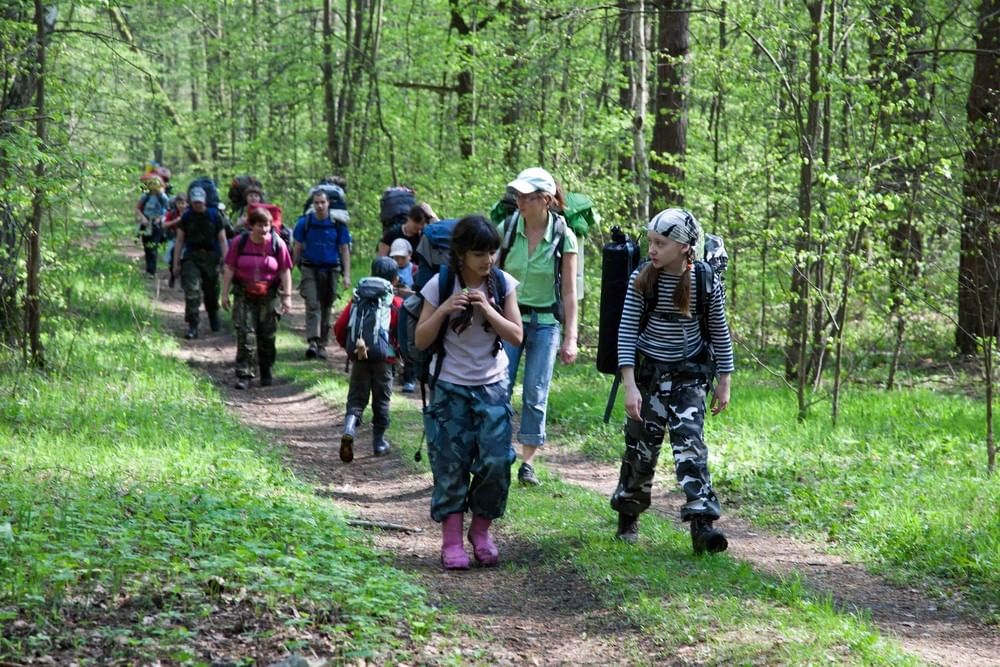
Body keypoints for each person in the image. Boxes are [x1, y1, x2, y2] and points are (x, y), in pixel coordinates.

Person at [610, 208, 734, 554]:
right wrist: (630, 386)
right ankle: (628, 517)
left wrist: (725, 379)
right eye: (650, 241)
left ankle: (703, 527)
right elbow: (626, 332)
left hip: (689, 376)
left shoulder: (704, 280)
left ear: (683, 247)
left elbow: (720, 332)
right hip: (648, 375)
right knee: (641, 449)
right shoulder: (643, 277)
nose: (652, 249)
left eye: (661, 243)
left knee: (691, 448)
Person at [414, 214, 522, 571]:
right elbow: (420, 339)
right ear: (460, 254)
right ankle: (450, 542)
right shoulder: (440, 285)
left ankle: (480, 531)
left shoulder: (503, 284)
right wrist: (446, 308)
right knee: (450, 465)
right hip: (449, 388)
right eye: (479, 253)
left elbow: (517, 336)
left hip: (492, 387)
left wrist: (487, 309)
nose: (487, 259)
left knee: (496, 462)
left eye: (491, 251)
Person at [499, 167, 580, 487]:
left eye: (526, 197)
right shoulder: (505, 229)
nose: (519, 201)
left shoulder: (564, 236)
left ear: (545, 200)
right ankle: (500, 451)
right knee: (499, 387)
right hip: (508, 320)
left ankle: (527, 462)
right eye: (517, 195)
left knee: (535, 391)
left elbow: (570, 293)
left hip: (546, 323)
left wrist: (571, 338)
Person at [333, 256, 403, 462]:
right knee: (381, 401)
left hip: (359, 358)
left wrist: (351, 350)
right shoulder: (394, 302)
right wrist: (400, 353)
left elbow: (339, 327)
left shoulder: (357, 299)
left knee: (356, 399)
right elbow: (403, 334)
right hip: (385, 361)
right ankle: (379, 443)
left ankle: (349, 430)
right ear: (395, 279)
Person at [220, 206, 294, 390]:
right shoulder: (239, 242)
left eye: (267, 225)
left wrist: (287, 296)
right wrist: (224, 293)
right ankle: (244, 373)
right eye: (260, 225)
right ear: (251, 225)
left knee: (267, 335)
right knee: (245, 333)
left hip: (269, 295)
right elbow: (229, 268)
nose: (264, 229)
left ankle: (266, 368)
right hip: (244, 293)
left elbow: (285, 271)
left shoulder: (278, 244)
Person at [292, 188, 352, 360]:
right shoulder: (305, 223)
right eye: (316, 202)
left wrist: (346, 275)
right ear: (312, 204)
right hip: (309, 267)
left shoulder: (338, 225)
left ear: (328, 204)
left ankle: (322, 344)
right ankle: (312, 341)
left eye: (322, 202)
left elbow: (344, 249)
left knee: (326, 307)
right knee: (312, 304)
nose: (319, 206)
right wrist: (290, 269)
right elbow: (297, 247)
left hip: (331, 269)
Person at [173, 186, 228, 339]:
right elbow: (179, 240)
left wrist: (227, 261)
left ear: (204, 201)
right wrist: (175, 263)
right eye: (195, 202)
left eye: (200, 202)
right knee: (192, 291)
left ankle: (213, 317)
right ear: (191, 201)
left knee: (211, 291)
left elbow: (222, 240)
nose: (198, 205)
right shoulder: (186, 217)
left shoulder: (215, 215)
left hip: (211, 257)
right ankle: (193, 325)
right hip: (191, 257)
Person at [135, 175, 169, 277]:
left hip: (157, 224)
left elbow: (169, 210)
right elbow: (137, 208)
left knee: (153, 247)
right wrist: (142, 217)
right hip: (145, 223)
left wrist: (161, 218)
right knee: (146, 247)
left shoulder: (163, 197)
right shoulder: (145, 195)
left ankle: (151, 271)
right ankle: (148, 269)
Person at [163, 192, 188, 288]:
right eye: (179, 203)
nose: (181, 205)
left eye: (183, 203)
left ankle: (183, 280)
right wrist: (175, 221)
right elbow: (164, 224)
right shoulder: (172, 213)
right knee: (171, 257)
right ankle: (173, 276)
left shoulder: (190, 214)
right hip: (173, 239)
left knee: (185, 260)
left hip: (186, 241)